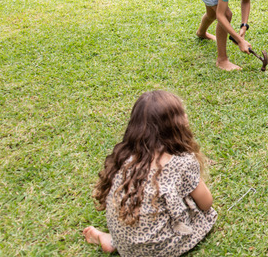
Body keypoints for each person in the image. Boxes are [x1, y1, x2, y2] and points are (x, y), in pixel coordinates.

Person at [82, 90, 217, 256]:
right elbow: (206, 203)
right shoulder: (183, 161)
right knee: (206, 216)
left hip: (127, 247)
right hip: (163, 248)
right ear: (175, 125)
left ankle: (112, 240)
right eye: (183, 113)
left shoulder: (125, 156)